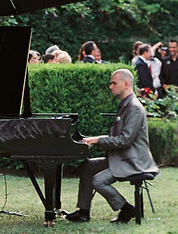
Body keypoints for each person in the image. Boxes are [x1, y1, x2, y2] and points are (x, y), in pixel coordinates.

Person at [66, 68, 159, 223]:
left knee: (98, 180)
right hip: (122, 157)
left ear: (126, 84)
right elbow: (117, 137)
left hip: (132, 161)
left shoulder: (134, 108)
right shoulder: (125, 105)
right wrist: (93, 139)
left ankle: (127, 209)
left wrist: (98, 141)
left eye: (114, 83)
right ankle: (83, 212)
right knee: (87, 167)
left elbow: (124, 140)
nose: (110, 86)